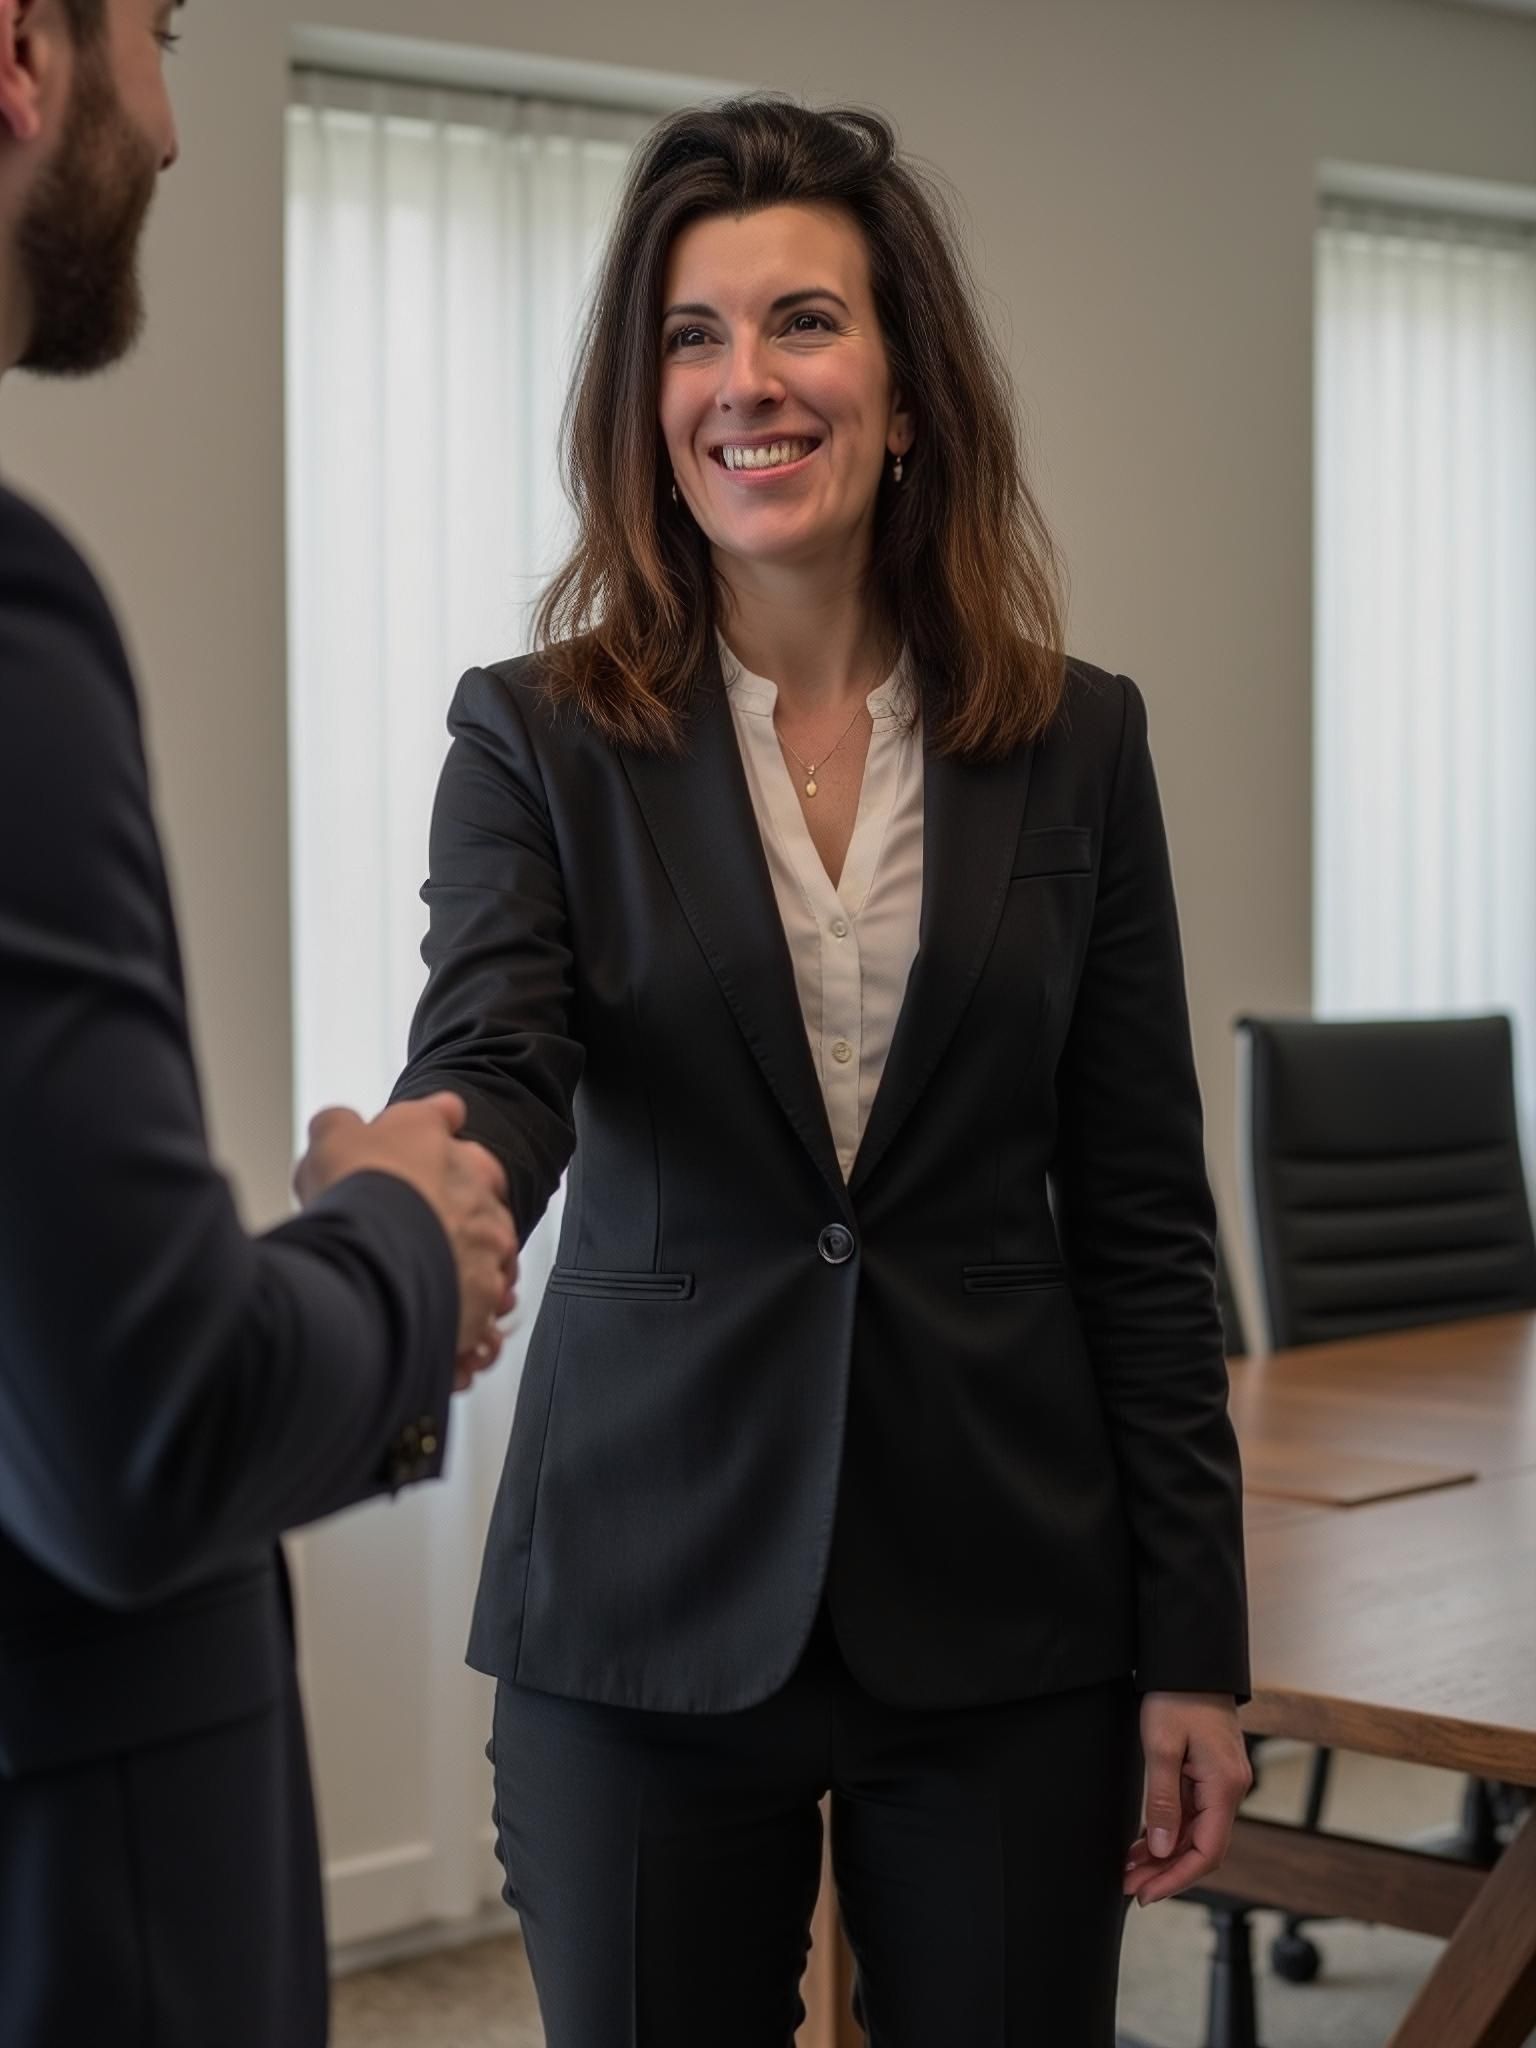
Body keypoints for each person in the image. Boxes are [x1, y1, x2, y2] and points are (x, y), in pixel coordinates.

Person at [393, 97, 1251, 2046]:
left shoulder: (1077, 749)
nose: (745, 381)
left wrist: (1191, 1649)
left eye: (804, 322)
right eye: (691, 336)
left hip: (1009, 1605)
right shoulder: (534, 739)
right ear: (645, 403)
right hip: (642, 1590)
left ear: (908, 389)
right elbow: (497, 1056)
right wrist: (432, 1202)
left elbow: (1139, 1215)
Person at [0, 5, 519, 2043]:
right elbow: (142, 1436)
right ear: (21, 49)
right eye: (159, 32)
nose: (180, 128)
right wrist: (400, 1223)